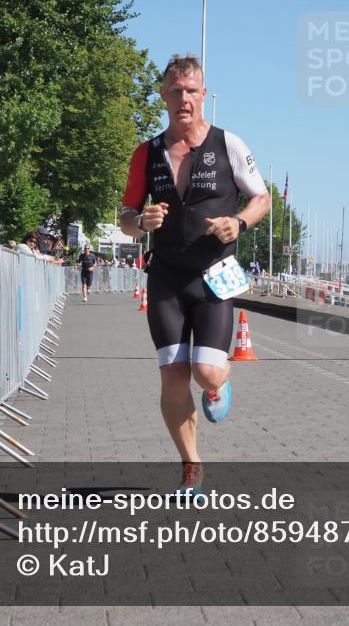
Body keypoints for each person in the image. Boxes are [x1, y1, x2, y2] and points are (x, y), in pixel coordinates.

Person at [120, 54, 270, 495]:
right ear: (164, 96)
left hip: (215, 275)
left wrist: (238, 222)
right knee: (172, 374)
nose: (184, 99)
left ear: (203, 95)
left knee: (206, 373)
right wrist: (140, 222)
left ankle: (218, 385)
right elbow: (128, 214)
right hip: (166, 277)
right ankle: (191, 465)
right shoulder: (146, 154)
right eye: (176, 91)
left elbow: (261, 199)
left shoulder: (230, 145)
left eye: (192, 91)